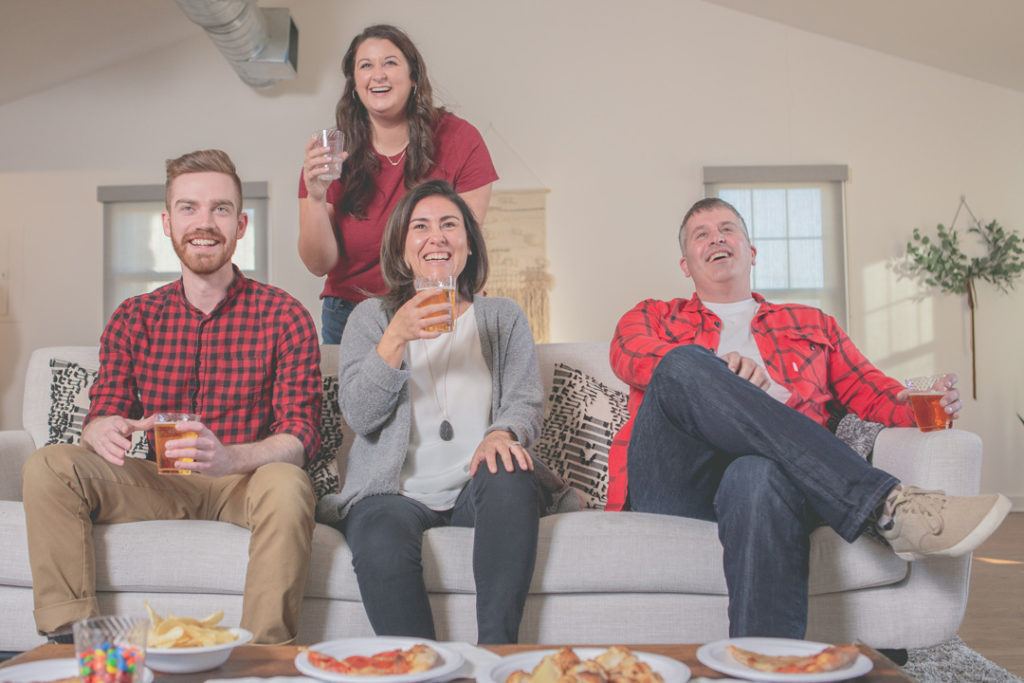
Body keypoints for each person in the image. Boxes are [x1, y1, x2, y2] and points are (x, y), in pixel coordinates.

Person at [609, 196, 1011, 638]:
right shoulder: (653, 315)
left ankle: (768, 664)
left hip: (781, 478)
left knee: (755, 475)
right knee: (681, 363)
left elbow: (873, 393)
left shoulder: (813, 324)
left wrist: (923, 403)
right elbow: (628, 355)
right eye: (700, 235)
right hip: (677, 479)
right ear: (686, 264)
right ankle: (886, 504)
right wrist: (717, 371)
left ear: (751, 250)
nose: (716, 238)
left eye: (728, 229)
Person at [21, 150, 322, 645]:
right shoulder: (134, 316)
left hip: (244, 482)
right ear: (167, 222)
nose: (204, 223)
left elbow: (301, 434)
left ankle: (264, 658)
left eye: (220, 209)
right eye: (189, 208)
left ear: (241, 224)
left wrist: (228, 458)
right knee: (48, 466)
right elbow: (107, 407)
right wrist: (101, 428)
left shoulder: (283, 315)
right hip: (158, 481)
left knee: (289, 484)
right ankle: (71, 639)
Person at [316, 179, 552, 644]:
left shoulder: (502, 317)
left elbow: (525, 401)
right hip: (394, 494)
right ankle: (420, 669)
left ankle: (496, 657)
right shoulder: (372, 319)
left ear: (467, 244)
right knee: (378, 531)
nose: (437, 236)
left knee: (509, 473)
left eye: (450, 225)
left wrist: (502, 434)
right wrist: (395, 338)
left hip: (475, 488)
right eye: (420, 227)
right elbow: (360, 416)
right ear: (404, 250)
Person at [299, 24, 498, 344]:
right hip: (350, 313)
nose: (378, 74)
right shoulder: (330, 154)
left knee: (440, 394)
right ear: (354, 84)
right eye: (366, 65)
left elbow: (461, 244)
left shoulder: (459, 139)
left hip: (434, 303)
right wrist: (316, 197)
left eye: (390, 62)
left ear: (413, 77)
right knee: (360, 395)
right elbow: (318, 263)